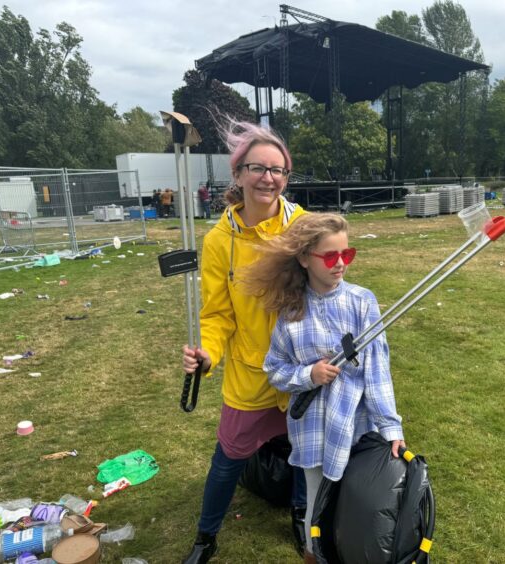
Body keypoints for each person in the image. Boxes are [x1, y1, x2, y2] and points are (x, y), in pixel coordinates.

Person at [181, 120, 307, 564]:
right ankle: (205, 536)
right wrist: (207, 353)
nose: (269, 178)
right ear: (238, 174)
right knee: (228, 457)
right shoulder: (219, 241)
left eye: (279, 170)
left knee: (301, 451)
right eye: (258, 168)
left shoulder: (303, 228)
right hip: (251, 374)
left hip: (302, 370)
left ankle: (300, 515)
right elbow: (216, 314)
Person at [246, 213, 405, 564]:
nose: (340, 265)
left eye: (347, 255)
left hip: (357, 428)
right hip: (312, 429)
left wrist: (391, 427)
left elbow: (377, 372)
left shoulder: (362, 302)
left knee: (356, 504)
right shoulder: (291, 313)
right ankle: (313, 555)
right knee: (316, 505)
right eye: (331, 257)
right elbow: (275, 369)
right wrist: (308, 375)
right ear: (305, 259)